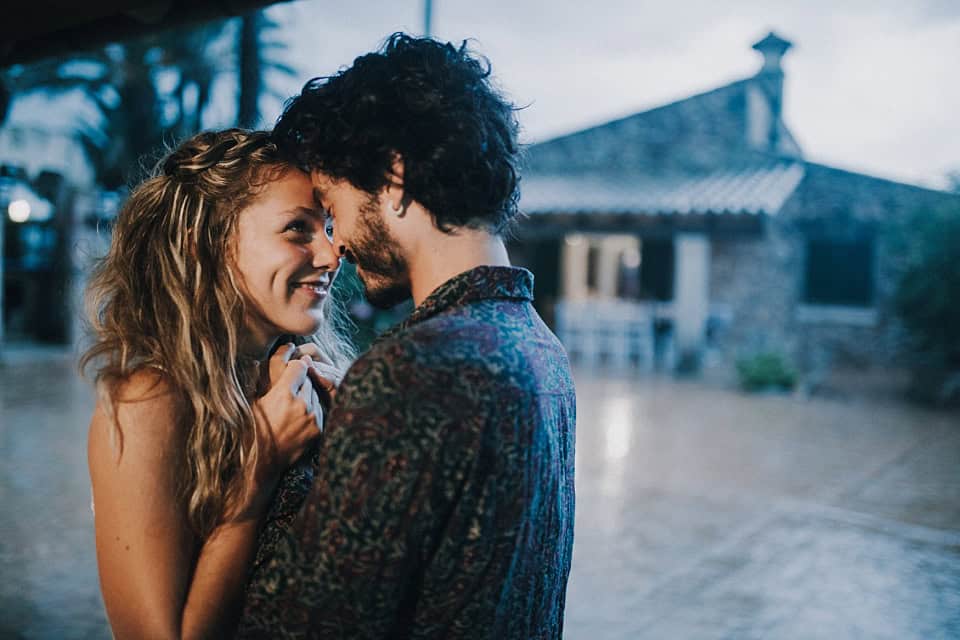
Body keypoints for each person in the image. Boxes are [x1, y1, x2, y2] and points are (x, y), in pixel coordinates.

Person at [237, 33, 576, 639]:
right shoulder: (543, 350)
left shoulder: (413, 371)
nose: (337, 243)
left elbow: (296, 626)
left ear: (393, 180)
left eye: (335, 207)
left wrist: (272, 471)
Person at [82, 129, 354, 639]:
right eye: (298, 229)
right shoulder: (149, 403)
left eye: (329, 228)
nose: (332, 254)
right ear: (205, 243)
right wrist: (257, 469)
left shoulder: (300, 383)